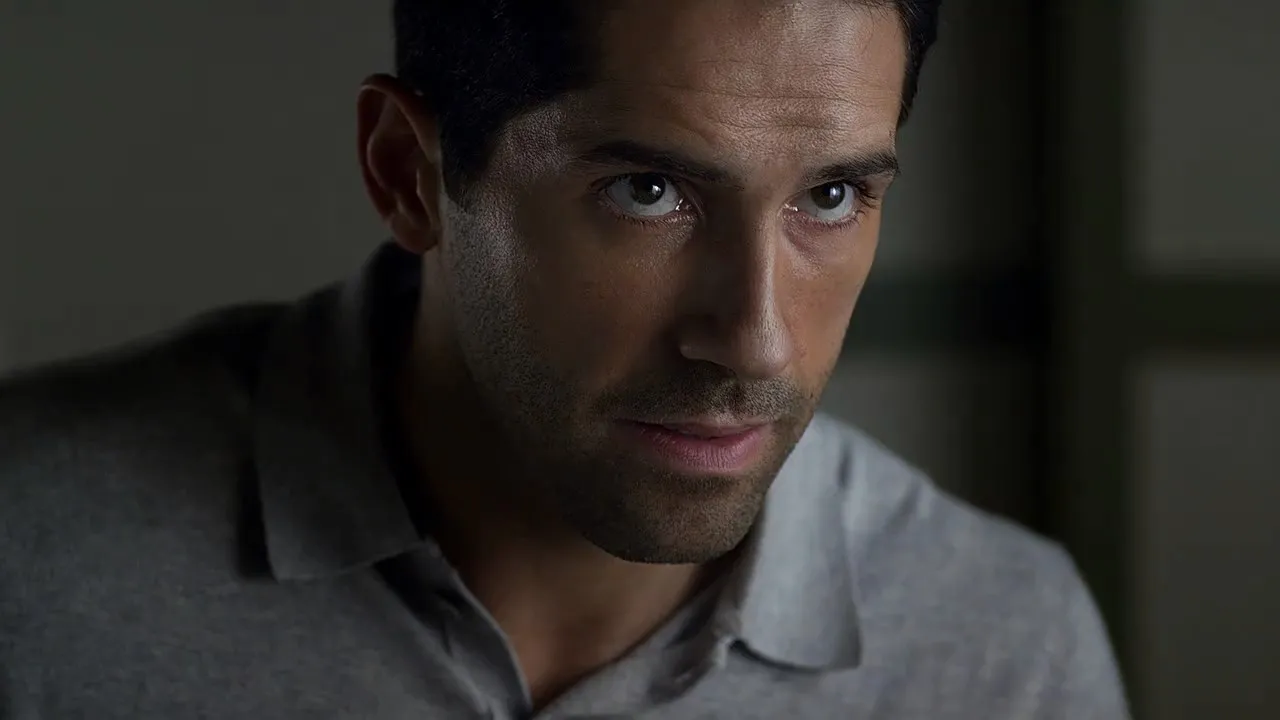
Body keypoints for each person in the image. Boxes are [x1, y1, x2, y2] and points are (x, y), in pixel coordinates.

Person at [0, 0, 1130, 717]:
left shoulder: (1002, 642)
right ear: (407, 173)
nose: (756, 338)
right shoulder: (31, 558)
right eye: (648, 190)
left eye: (830, 196)